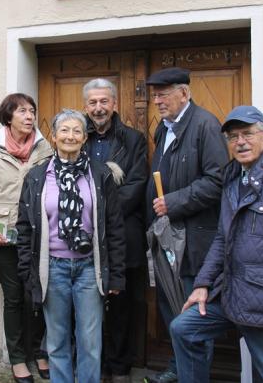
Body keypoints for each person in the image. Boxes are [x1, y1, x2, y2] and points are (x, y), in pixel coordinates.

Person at [170, 105, 263, 383]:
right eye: (233, 137)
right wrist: (203, 283)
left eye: (248, 134)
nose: (240, 142)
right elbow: (222, 237)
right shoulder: (233, 178)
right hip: (231, 294)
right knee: (184, 328)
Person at [16, 109, 127, 383]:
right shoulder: (37, 176)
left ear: (85, 137)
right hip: (51, 268)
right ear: (53, 137)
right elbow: (24, 228)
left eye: (77, 130)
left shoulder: (100, 175)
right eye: (64, 130)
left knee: (90, 340)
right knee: (56, 340)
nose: (70, 135)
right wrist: (27, 274)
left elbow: (114, 227)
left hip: (90, 268)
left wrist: (116, 274)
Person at [143, 67, 229, 383]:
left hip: (194, 242)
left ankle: (192, 376)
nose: (158, 100)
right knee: (171, 308)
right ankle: (180, 369)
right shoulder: (163, 129)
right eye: (155, 95)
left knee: (193, 316)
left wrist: (175, 202)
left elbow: (218, 180)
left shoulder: (206, 126)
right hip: (168, 239)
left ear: (185, 93)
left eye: (164, 94)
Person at [0, 93, 53, 382]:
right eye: (22, 111)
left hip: (37, 233)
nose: (29, 116)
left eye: (32, 111)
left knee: (40, 294)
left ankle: (40, 352)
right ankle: (18, 359)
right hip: (2, 235)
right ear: (8, 117)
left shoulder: (45, 149)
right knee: (15, 297)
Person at [81, 78, 149, 383]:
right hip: (83, 236)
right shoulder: (75, 136)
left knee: (122, 305)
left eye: (104, 101)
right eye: (93, 102)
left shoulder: (133, 140)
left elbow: (136, 185)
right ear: (86, 106)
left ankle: (120, 368)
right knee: (87, 305)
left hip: (124, 235)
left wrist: (101, 213)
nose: (99, 108)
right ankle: (92, 367)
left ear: (114, 104)